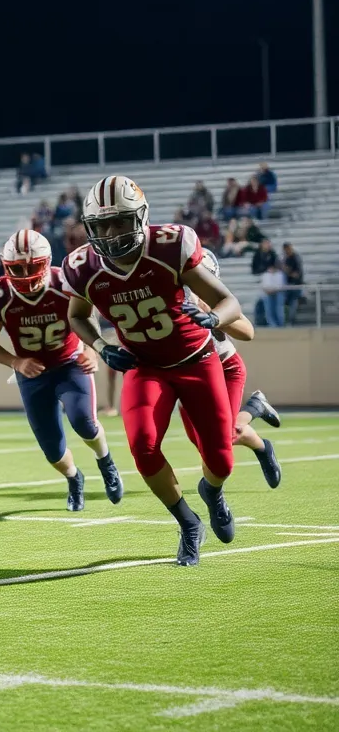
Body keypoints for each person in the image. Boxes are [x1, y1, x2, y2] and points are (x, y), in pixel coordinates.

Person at [65, 176, 248, 567]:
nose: (111, 234)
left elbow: (229, 301)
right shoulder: (82, 267)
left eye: (120, 222)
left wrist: (213, 317)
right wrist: (100, 347)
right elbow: (77, 316)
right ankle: (187, 522)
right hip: (144, 367)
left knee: (221, 461)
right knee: (143, 447)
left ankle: (212, 492)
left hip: (197, 360)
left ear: (141, 218)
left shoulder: (170, 247)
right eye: (102, 225)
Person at [0, 229, 123, 510]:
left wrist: (92, 350)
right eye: (16, 268)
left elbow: (85, 317)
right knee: (53, 450)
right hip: (33, 375)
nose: (25, 274)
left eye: (32, 266)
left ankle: (105, 461)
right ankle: (73, 477)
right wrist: (16, 362)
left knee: (84, 422)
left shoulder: (65, 283)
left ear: (46, 262)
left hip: (70, 363)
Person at [177, 249, 281, 488]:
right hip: (189, 376)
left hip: (225, 369)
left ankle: (213, 492)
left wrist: (214, 316)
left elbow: (247, 331)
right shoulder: (170, 294)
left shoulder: (212, 298)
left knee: (220, 438)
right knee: (202, 442)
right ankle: (260, 436)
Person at [259, 260, 287, 328]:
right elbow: (264, 286)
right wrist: (269, 291)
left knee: (279, 309)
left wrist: (273, 290)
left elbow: (280, 286)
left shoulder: (280, 274)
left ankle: (280, 324)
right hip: (268, 294)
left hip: (277, 293)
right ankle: (272, 324)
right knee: (268, 309)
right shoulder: (265, 275)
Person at [281, 243, 304, 325]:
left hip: (295, 285)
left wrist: (287, 271)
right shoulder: (286, 258)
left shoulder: (295, 258)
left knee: (293, 303)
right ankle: (287, 320)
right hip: (288, 285)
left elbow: (297, 274)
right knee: (287, 303)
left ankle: (291, 321)